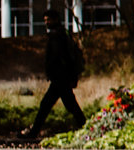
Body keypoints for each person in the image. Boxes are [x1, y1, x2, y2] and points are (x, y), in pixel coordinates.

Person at [23, 10, 86, 139]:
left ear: (56, 19)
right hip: (61, 78)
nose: (46, 23)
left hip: (60, 78)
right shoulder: (61, 34)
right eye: (45, 20)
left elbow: (59, 58)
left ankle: (34, 132)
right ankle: (86, 126)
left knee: (47, 105)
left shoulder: (58, 36)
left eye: (48, 20)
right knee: (69, 105)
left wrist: (57, 73)